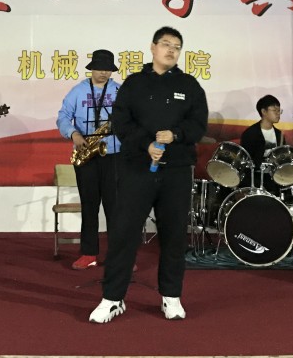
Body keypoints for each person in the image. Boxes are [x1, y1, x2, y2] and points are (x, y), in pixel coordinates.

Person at [89, 26, 208, 324]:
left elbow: (198, 125)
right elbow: (121, 122)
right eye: (166, 44)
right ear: (153, 48)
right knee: (124, 233)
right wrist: (147, 145)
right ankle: (112, 298)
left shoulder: (190, 85)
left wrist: (176, 134)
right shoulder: (134, 84)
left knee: (174, 236)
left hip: (176, 171)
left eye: (176, 47)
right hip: (137, 169)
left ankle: (171, 296)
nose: (171, 50)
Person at [56, 49, 121, 270]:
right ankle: (88, 253)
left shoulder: (120, 91)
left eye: (108, 69)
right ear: (92, 69)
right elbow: (63, 117)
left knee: (115, 208)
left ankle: (119, 256)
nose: (104, 73)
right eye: (100, 68)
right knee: (89, 205)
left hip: (114, 155)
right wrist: (74, 134)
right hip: (86, 154)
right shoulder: (78, 91)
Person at [239, 94, 285, 193]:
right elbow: (245, 162)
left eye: (279, 111)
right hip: (255, 178)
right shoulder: (250, 133)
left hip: (275, 177)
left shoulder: (279, 134)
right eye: (274, 110)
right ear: (264, 111)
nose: (278, 114)